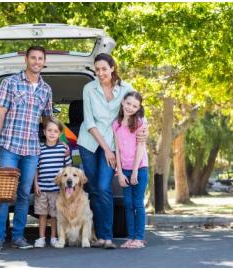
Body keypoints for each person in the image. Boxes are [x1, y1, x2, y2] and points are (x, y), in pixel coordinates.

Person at [77, 53, 147, 249]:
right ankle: (101, 236)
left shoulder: (126, 88)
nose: (100, 73)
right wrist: (105, 148)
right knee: (95, 190)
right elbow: (89, 121)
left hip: (114, 145)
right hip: (89, 142)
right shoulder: (88, 88)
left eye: (104, 69)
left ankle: (107, 236)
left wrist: (144, 130)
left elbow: (140, 110)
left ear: (112, 68)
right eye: (97, 69)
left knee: (103, 186)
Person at [0, 46, 53, 251]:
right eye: (33, 57)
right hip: (9, 146)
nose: (36, 61)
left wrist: (58, 142)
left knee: (24, 193)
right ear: (26, 59)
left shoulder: (46, 89)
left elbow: (48, 119)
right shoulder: (11, 83)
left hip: (32, 149)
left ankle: (18, 237)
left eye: (40, 58)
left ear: (44, 62)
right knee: (5, 193)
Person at [113, 91, 149, 249]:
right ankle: (131, 237)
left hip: (139, 168)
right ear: (122, 102)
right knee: (127, 204)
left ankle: (139, 238)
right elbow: (117, 150)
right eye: (128, 103)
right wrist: (120, 172)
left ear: (139, 108)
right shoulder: (116, 124)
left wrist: (134, 171)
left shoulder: (140, 123)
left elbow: (141, 147)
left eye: (135, 106)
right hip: (124, 170)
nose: (130, 107)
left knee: (137, 203)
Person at [33, 117, 72, 248]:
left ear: (60, 134)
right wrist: (36, 184)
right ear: (44, 132)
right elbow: (36, 169)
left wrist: (66, 188)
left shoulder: (63, 149)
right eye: (49, 130)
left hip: (57, 190)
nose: (52, 133)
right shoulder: (40, 149)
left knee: (55, 215)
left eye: (55, 131)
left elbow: (68, 169)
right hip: (42, 188)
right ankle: (41, 238)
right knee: (42, 214)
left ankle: (54, 237)